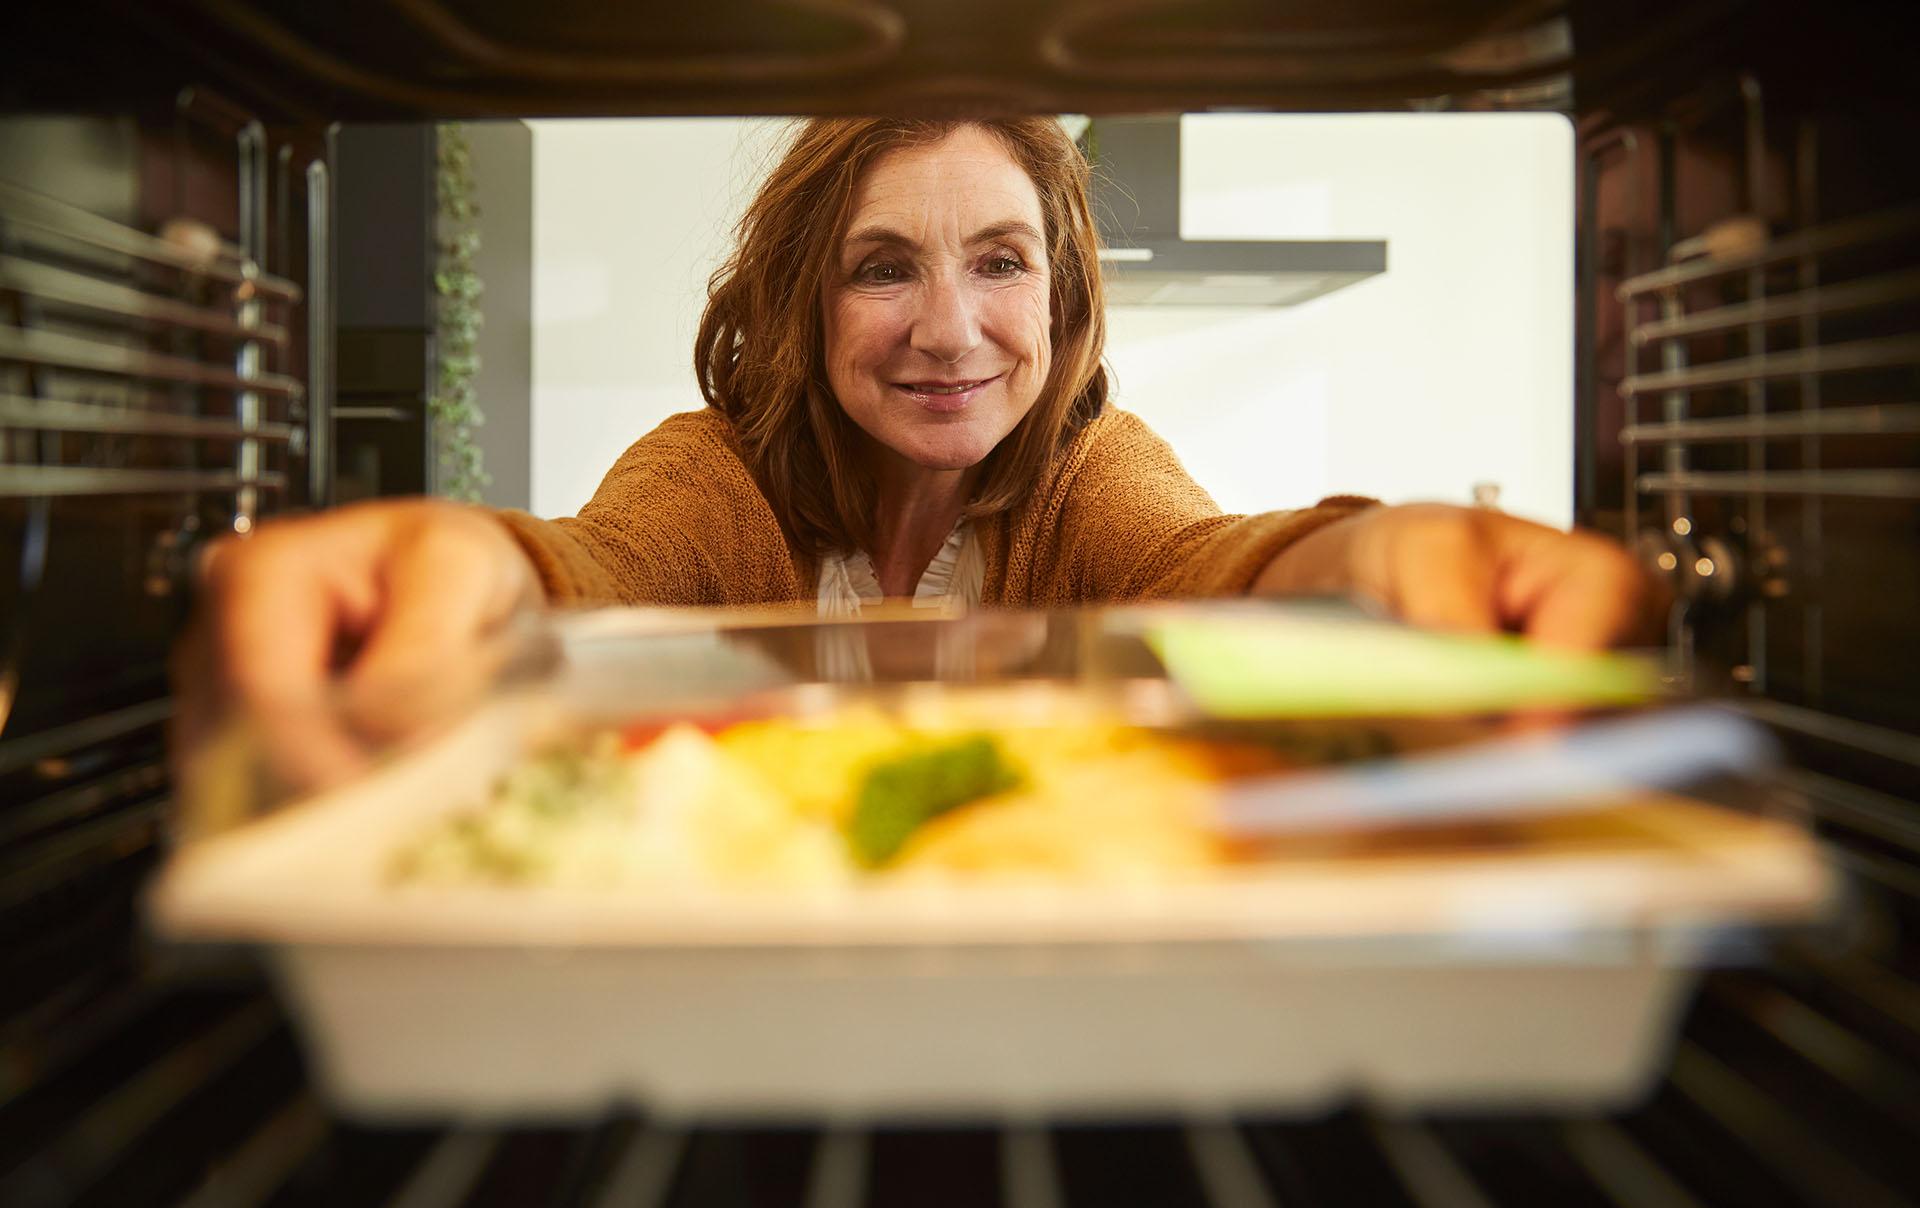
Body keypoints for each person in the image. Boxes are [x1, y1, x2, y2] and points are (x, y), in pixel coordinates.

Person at [183, 117, 1660, 777]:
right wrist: (468, 555)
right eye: (884, 266)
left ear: (1062, 299)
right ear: (804, 305)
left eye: (1002, 264)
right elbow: (602, 566)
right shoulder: (718, 468)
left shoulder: (1092, 472)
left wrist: (1363, 560)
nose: (950, 330)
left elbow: (1192, 561)